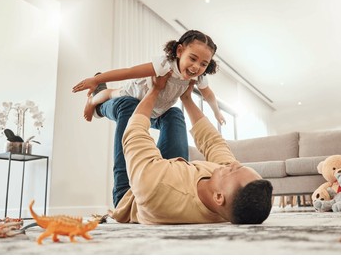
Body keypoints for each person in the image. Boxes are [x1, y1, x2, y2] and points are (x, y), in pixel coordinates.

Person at [111, 72, 273, 224]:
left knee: (128, 106)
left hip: (130, 195)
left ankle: (98, 105)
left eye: (233, 170)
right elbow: (214, 143)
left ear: (218, 197)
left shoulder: (155, 187)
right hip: (170, 172)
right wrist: (187, 98)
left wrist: (155, 90)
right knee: (174, 114)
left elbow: (134, 134)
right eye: (239, 166)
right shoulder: (228, 201)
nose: (233, 164)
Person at [72, 29, 226, 125]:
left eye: (203, 64)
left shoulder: (198, 78)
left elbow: (208, 95)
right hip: (135, 94)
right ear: (179, 51)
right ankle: (92, 100)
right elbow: (129, 72)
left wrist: (216, 112)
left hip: (155, 108)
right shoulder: (165, 65)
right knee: (112, 93)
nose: (196, 67)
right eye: (192, 59)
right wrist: (96, 80)